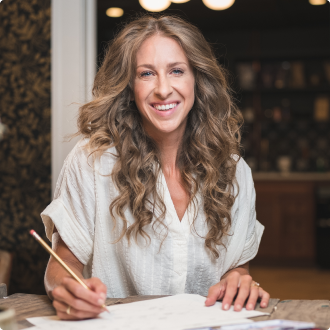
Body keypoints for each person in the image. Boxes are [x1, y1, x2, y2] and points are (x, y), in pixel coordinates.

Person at [42, 15, 270, 320]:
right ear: (130, 85)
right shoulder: (91, 162)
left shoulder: (235, 172)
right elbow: (61, 266)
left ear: (197, 80)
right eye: (147, 73)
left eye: (177, 71)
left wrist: (239, 280)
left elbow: (236, 267)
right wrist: (67, 289)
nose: (163, 89)